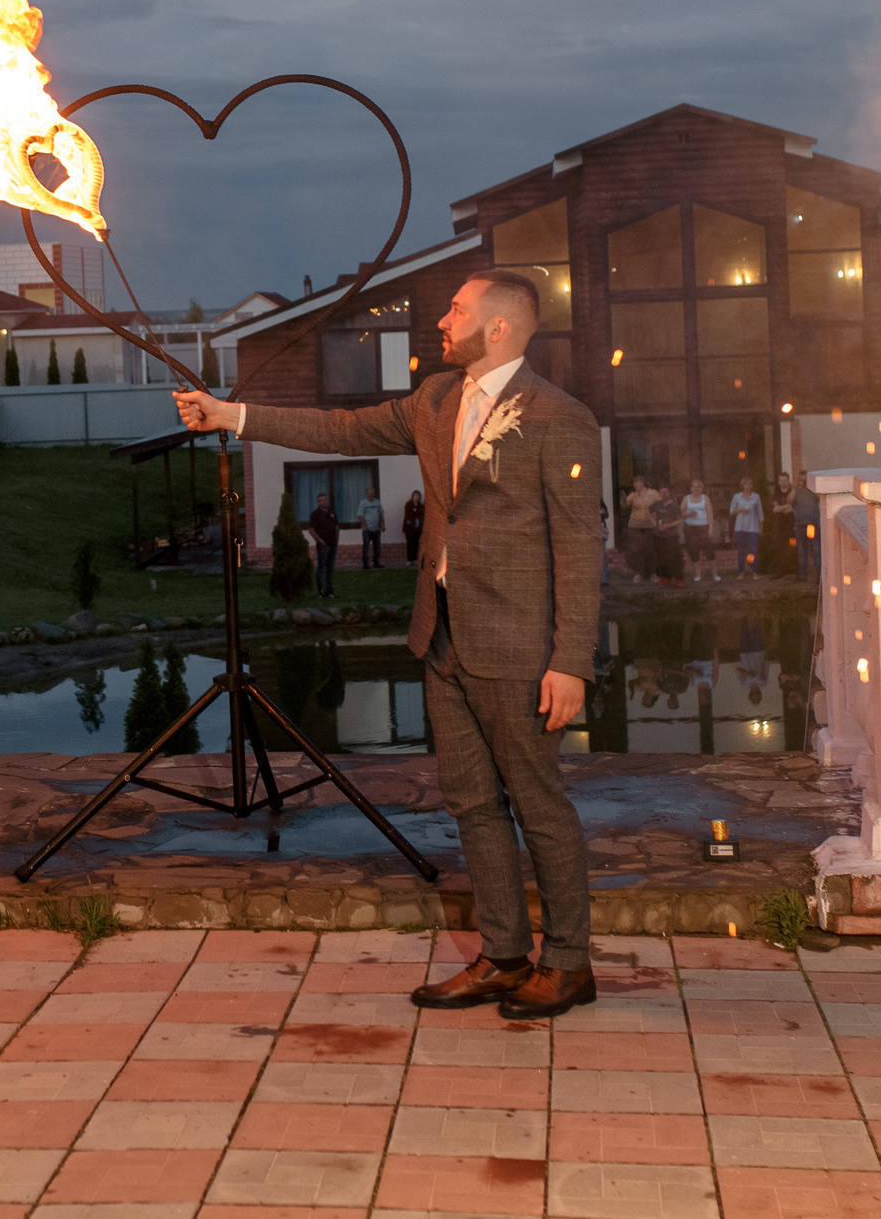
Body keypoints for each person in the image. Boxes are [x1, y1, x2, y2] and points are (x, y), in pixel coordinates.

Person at [175, 271, 605, 1019]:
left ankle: (568, 963)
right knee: (471, 802)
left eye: (458, 309)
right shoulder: (436, 399)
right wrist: (231, 415)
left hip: (518, 646)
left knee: (538, 802)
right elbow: (340, 431)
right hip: (441, 635)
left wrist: (570, 660)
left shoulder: (558, 416)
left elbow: (578, 544)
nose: (442, 319)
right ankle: (504, 955)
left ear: (499, 327)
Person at [624, 475, 667, 586]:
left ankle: (653, 573)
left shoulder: (652, 494)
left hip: (649, 525)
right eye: (634, 484)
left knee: (650, 549)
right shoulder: (633, 495)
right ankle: (638, 573)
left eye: (638, 483)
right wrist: (623, 499)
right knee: (637, 549)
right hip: (635, 526)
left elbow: (661, 504)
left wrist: (659, 518)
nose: (636, 486)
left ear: (642, 484)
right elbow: (625, 504)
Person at [729, 479, 765, 578]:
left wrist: (761, 527)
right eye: (745, 484)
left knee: (753, 550)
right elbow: (731, 511)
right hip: (740, 528)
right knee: (741, 551)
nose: (748, 486)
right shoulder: (737, 497)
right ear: (742, 486)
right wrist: (740, 510)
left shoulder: (756, 497)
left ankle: (754, 571)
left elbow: (760, 512)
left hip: (753, 528)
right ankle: (741, 572)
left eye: (750, 484)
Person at [680, 477, 714, 582]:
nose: (696, 489)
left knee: (709, 550)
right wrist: (688, 514)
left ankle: (715, 574)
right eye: (694, 487)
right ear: (691, 488)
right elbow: (680, 513)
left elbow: (710, 514)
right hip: (690, 528)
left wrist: (711, 528)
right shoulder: (686, 498)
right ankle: (698, 575)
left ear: (702, 488)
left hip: (703, 526)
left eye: (699, 487)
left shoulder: (706, 498)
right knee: (694, 551)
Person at [309, 492, 340, 598]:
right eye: (321, 500)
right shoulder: (315, 514)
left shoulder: (332, 512)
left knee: (330, 569)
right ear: (318, 502)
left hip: (332, 544)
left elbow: (336, 526)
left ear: (327, 500)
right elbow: (311, 530)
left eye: (324, 499)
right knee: (321, 568)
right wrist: (320, 540)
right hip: (323, 546)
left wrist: (337, 539)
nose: (323, 502)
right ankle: (320, 592)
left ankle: (330, 591)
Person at [767, 473, 797, 579]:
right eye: (781, 480)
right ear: (779, 482)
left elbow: (794, 508)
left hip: (792, 526)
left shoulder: (793, 493)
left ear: (788, 481)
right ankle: (779, 572)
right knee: (779, 548)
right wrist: (787, 506)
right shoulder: (776, 494)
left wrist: (782, 507)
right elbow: (775, 509)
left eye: (785, 480)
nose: (783, 482)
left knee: (793, 548)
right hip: (779, 527)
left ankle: (796, 572)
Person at [359, 485, 386, 569]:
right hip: (367, 530)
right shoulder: (363, 503)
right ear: (367, 494)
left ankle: (376, 563)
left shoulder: (377, 502)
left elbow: (381, 514)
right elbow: (361, 515)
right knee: (366, 547)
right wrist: (365, 526)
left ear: (374, 493)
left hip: (376, 529)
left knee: (377, 547)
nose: (371, 494)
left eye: (372, 492)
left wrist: (383, 525)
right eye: (369, 493)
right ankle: (365, 565)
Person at [402, 489, 425, 566]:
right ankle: (409, 559)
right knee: (410, 544)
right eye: (415, 496)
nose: (416, 497)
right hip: (409, 528)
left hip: (417, 528)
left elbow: (422, 513)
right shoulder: (408, 504)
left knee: (416, 544)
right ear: (412, 496)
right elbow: (409, 514)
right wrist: (415, 511)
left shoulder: (420, 505)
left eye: (418, 496)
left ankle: (415, 559)